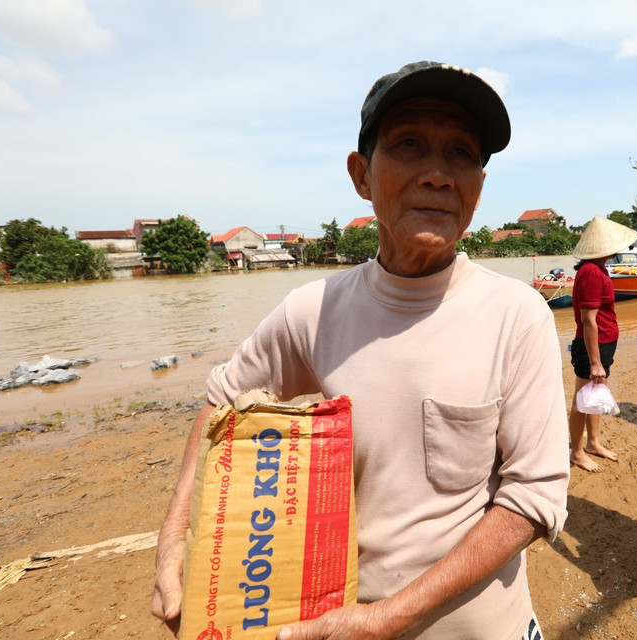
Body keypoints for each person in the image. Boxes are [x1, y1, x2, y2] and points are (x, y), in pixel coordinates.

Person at [150, 61, 570, 640]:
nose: (438, 175)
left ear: (477, 184)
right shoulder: (311, 312)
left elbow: (533, 497)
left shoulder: (517, 315)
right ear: (361, 175)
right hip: (335, 618)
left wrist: (388, 619)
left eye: (461, 154)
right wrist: (175, 544)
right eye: (408, 145)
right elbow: (220, 405)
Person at [567, 216, 637, 472]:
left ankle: (593, 443)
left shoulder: (599, 269)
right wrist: (595, 362)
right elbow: (588, 321)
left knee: (594, 397)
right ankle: (576, 452)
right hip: (591, 347)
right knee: (581, 402)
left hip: (604, 343)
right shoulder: (590, 273)